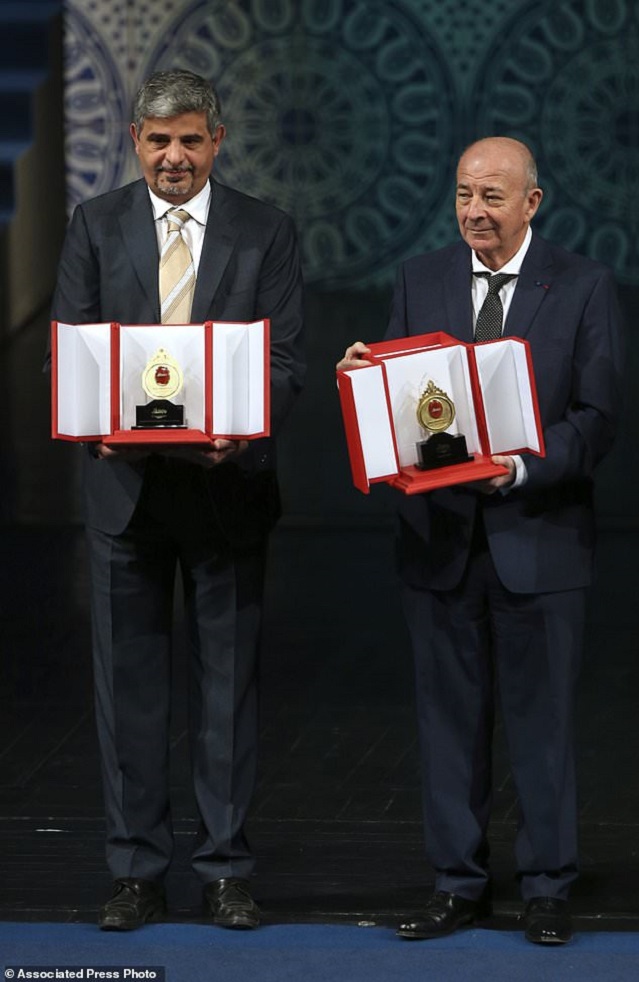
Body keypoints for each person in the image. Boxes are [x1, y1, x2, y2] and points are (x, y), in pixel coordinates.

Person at [338, 137, 623, 945]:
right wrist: (363, 378)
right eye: (465, 194)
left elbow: (597, 421)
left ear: (533, 203)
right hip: (440, 543)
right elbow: (400, 407)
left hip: (541, 538)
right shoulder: (418, 279)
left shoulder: (584, 286)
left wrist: (523, 470)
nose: (474, 212)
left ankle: (546, 888)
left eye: (493, 197)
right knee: (447, 725)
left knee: (542, 726)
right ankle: (457, 884)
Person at [51, 70, 304, 931]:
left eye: (190, 141)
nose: (174, 158)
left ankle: (227, 869)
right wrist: (93, 425)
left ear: (217, 143)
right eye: (159, 142)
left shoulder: (265, 231)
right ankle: (135, 873)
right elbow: (68, 355)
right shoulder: (94, 224)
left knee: (226, 694)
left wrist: (244, 425)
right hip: (126, 495)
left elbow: (285, 364)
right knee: (129, 693)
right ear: (134, 142)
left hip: (225, 490)